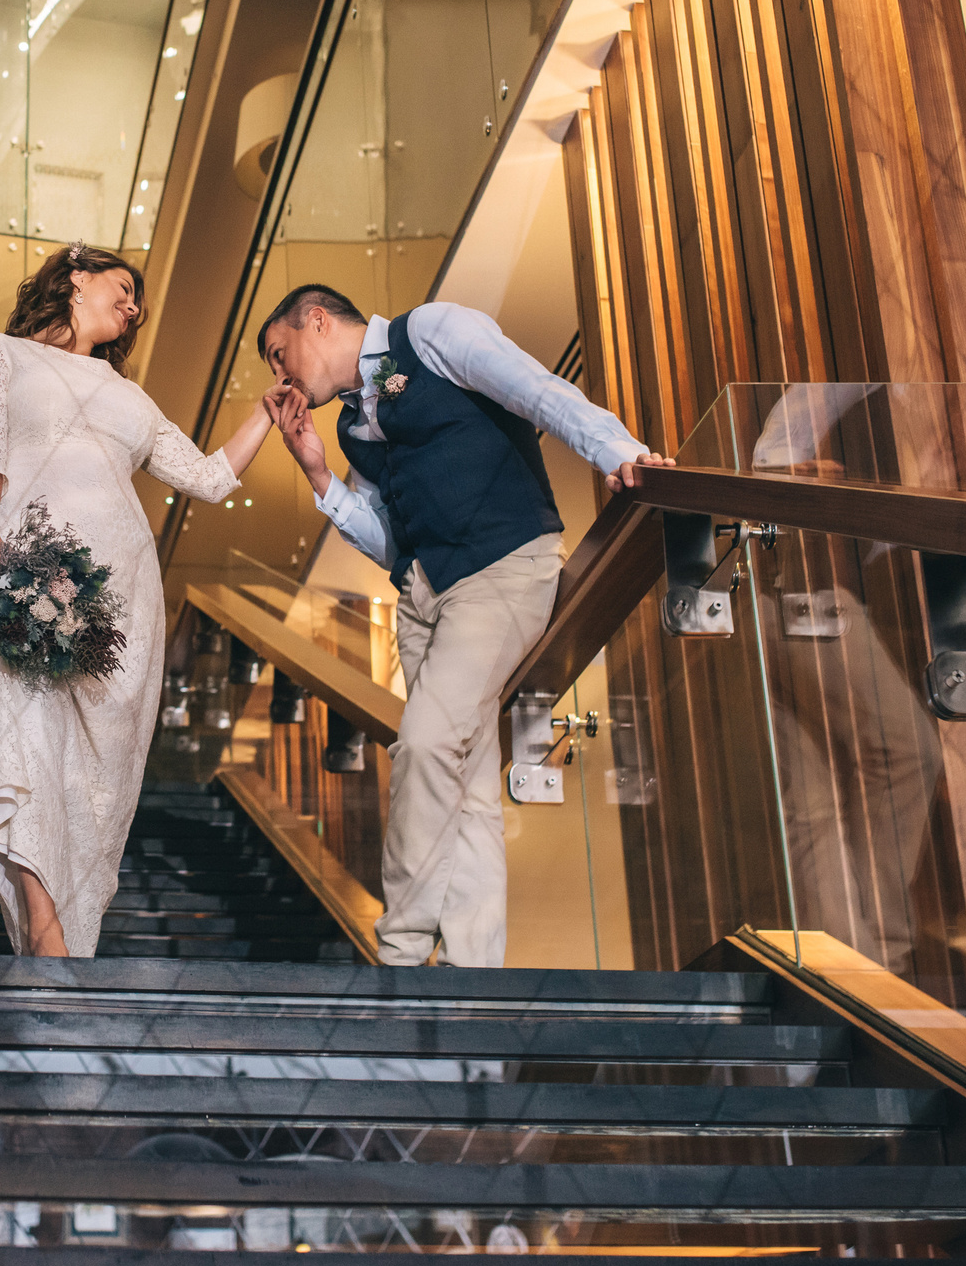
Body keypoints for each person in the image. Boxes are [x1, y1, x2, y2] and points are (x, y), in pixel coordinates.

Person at [259, 286, 670, 967]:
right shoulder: (350, 427)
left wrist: (618, 450)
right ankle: (474, 971)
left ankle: (399, 951)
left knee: (423, 743)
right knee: (469, 784)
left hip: (503, 570)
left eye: (281, 353)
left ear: (319, 320)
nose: (282, 375)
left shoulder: (434, 331)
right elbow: (395, 541)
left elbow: (535, 390)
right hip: (423, 602)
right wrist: (320, 475)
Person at [0, 243, 287, 958]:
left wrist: (266, 414)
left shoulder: (133, 397)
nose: (133, 308)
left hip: (125, 594)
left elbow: (208, 476)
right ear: (74, 275)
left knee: (95, 771)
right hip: (34, 573)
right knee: (24, 733)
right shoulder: (2, 354)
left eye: (138, 304)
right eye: (124, 288)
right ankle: (46, 929)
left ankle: (69, 920)